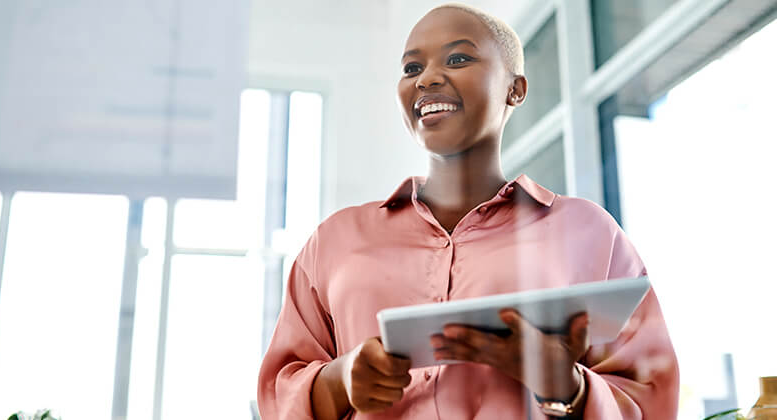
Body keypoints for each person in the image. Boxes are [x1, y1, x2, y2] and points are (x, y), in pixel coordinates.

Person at [257, 3, 679, 419]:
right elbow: (277, 393)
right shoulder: (335, 240)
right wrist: (339, 380)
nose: (427, 79)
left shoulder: (589, 232)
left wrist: (564, 384)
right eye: (411, 68)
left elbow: (650, 399)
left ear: (516, 89)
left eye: (458, 58)